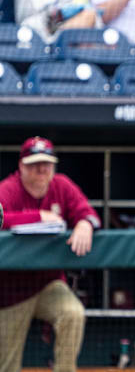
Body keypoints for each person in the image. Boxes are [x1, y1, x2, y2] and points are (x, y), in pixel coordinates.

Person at [0, 136, 101, 372]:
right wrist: (38, 216)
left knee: (73, 314)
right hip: (8, 291)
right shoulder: (9, 188)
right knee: (7, 365)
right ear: (22, 166)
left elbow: (89, 213)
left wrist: (85, 223)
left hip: (49, 283)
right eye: (35, 163)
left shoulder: (62, 185)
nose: (41, 169)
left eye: (46, 163)